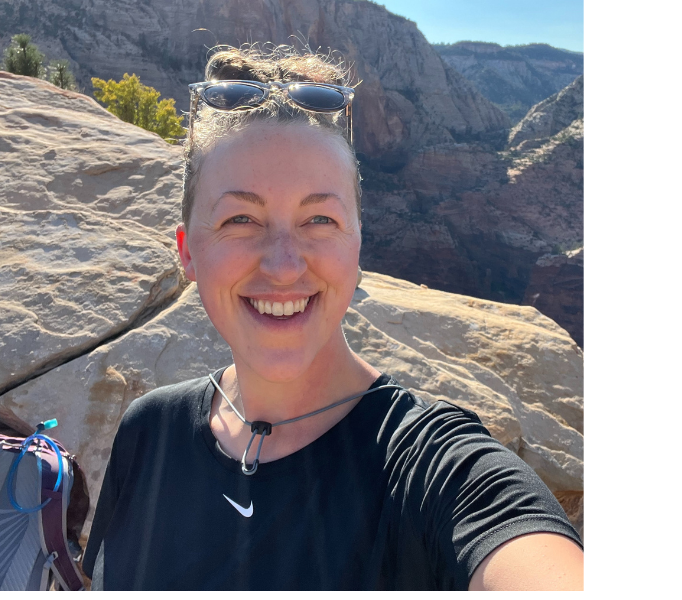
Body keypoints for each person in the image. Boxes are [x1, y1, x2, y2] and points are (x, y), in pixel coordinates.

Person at [82, 45, 583, 590]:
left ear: (357, 245)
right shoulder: (149, 433)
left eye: (319, 218)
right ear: (187, 252)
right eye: (240, 218)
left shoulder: (436, 470)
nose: (283, 264)